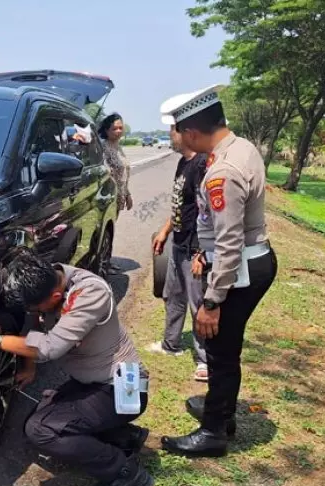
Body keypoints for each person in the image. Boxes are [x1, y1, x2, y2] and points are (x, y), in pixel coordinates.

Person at [0, 247, 153, 486]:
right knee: (41, 415)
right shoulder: (50, 277)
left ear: (56, 295)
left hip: (123, 389)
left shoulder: (89, 294)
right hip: (96, 382)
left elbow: (49, 347)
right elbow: (36, 322)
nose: (32, 311)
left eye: (35, 306)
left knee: (42, 430)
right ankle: (123, 438)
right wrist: (29, 366)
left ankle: (124, 473)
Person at [157, 86, 278, 458]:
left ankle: (213, 432)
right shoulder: (239, 147)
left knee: (221, 348)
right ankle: (221, 414)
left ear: (191, 132)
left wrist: (211, 300)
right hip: (250, 261)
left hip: (240, 266)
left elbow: (229, 242)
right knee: (226, 346)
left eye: (179, 132)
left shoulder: (222, 171)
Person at [148, 123, 209, 382]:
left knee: (198, 304)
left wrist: (203, 251)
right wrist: (165, 231)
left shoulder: (201, 165)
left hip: (194, 247)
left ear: (186, 133)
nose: (169, 136)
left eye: (172, 131)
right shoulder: (183, 163)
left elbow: (208, 213)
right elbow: (179, 207)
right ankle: (170, 343)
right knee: (172, 296)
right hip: (178, 242)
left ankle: (204, 359)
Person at [98, 113, 133, 214]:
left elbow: (124, 174)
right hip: (108, 197)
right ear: (106, 130)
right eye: (114, 129)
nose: (118, 131)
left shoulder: (119, 148)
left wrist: (127, 194)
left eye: (120, 128)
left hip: (119, 196)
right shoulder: (103, 148)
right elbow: (104, 172)